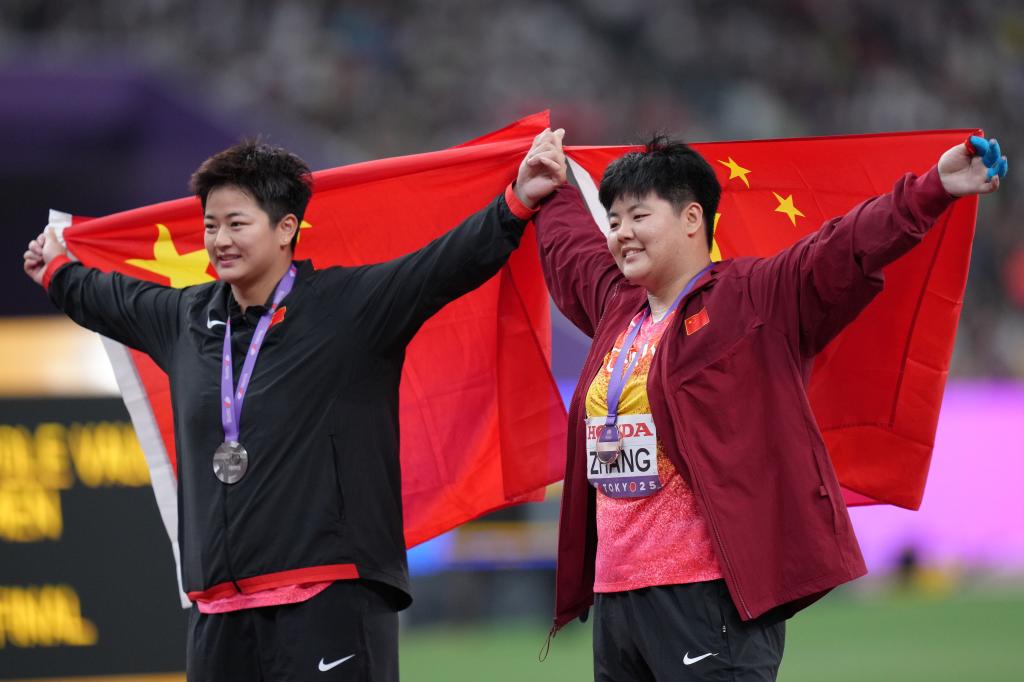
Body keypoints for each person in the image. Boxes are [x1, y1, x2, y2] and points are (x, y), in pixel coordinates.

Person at [22, 134, 565, 681]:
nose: (220, 240)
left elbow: (441, 267)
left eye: (237, 224)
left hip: (329, 596)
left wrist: (516, 201)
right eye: (210, 226)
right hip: (220, 611)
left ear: (286, 229)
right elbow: (106, 298)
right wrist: (56, 271)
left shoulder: (347, 307)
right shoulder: (185, 320)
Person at [520, 130, 1006, 680]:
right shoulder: (617, 306)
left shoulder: (753, 297)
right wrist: (549, 188)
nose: (621, 233)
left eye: (638, 216)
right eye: (613, 221)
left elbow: (843, 247)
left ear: (691, 218)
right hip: (617, 600)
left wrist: (934, 188)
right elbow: (572, 251)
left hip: (707, 599)